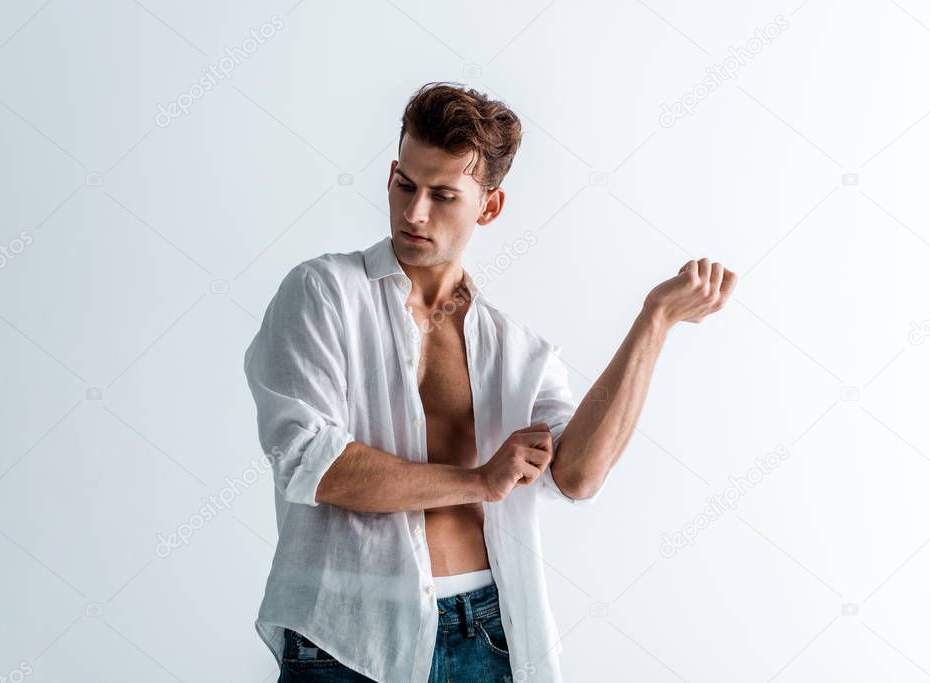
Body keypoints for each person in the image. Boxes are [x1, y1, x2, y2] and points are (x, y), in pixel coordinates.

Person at [245, 82, 736, 683]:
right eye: (405, 185)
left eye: (443, 195)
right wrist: (478, 479)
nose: (414, 212)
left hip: (486, 631)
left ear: (489, 206)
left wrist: (654, 321)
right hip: (346, 637)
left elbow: (577, 476)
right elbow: (311, 465)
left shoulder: (516, 351)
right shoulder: (324, 293)